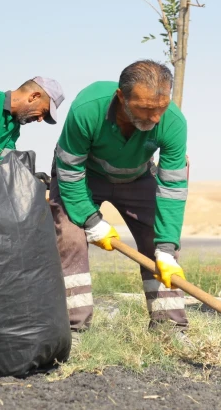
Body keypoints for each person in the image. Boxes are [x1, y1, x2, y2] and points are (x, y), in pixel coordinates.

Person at [48, 59, 189, 336]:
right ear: (121, 97)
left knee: (157, 242)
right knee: (71, 238)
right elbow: (69, 170)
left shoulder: (172, 121)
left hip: (137, 178)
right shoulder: (88, 109)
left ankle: (169, 328)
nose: (156, 118)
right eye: (147, 109)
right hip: (83, 176)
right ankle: (72, 331)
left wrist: (167, 248)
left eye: (161, 108)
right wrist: (90, 220)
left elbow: (172, 191)